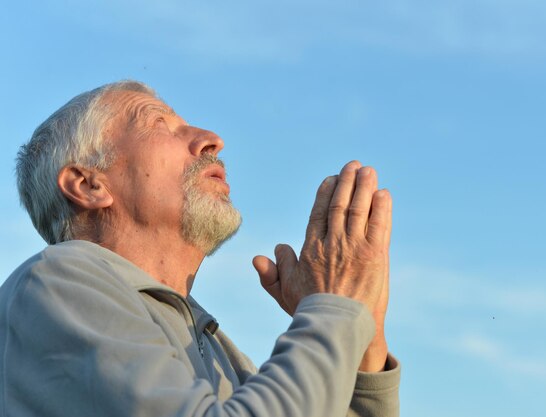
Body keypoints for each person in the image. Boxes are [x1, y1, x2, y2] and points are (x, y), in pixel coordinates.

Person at [0, 81, 400, 416]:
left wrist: (363, 334)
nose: (212, 141)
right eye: (160, 124)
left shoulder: (220, 352)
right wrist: (332, 306)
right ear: (89, 185)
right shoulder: (56, 283)